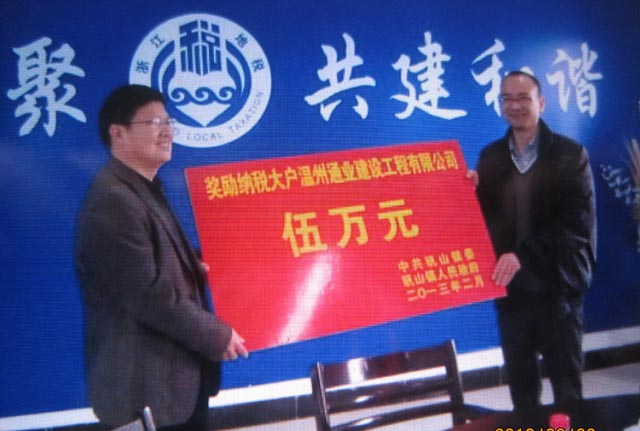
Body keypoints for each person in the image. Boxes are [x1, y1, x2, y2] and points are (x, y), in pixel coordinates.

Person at [75, 84, 248, 430]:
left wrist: (194, 264)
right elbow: (150, 296)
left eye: (168, 122)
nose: (168, 131)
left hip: (173, 386)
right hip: (145, 389)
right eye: (154, 122)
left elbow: (153, 262)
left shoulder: (141, 188)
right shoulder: (113, 201)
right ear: (118, 133)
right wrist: (216, 335)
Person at [469, 71, 596, 410]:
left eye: (523, 98)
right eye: (507, 98)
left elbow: (576, 226)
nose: (515, 106)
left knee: (568, 395)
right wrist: (467, 193)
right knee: (522, 396)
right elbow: (485, 220)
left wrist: (522, 255)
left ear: (540, 103)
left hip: (559, 291)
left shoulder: (570, 155)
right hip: (512, 295)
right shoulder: (491, 157)